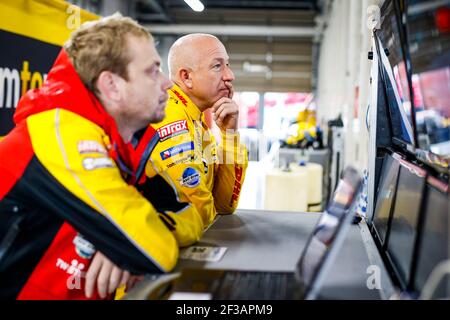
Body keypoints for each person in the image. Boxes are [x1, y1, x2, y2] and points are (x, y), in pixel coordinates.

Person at [0, 14, 187, 300]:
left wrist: (119, 242)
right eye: (152, 71)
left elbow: (187, 211)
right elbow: (156, 251)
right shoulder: (61, 134)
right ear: (111, 85)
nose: (167, 84)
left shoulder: (121, 142)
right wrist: (125, 242)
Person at [140, 34, 248, 234]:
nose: (229, 75)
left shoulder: (196, 119)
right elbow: (199, 215)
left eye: (227, 65)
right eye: (217, 66)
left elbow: (224, 205)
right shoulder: (172, 121)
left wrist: (229, 135)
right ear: (186, 77)